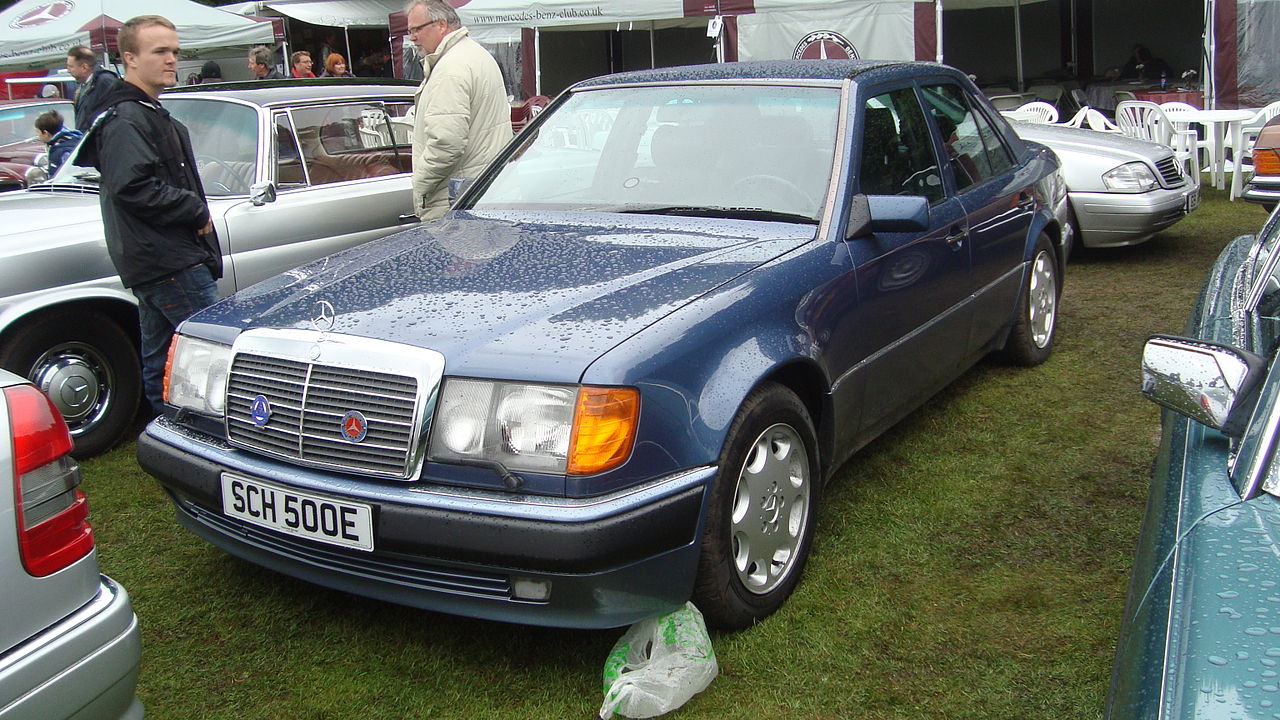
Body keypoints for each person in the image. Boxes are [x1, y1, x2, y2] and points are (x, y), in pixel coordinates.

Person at [78, 15, 221, 417]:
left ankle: (166, 434)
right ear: (130, 58)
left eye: (175, 51)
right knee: (207, 352)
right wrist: (194, 209)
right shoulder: (127, 117)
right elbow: (131, 186)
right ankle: (196, 442)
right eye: (160, 51)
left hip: (160, 257)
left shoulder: (145, 112)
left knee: (161, 355)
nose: (172, 59)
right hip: (167, 259)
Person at [405, 0, 512, 221]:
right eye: (409, 31)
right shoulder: (475, 54)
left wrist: (420, 186)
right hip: (484, 190)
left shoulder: (450, 69)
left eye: (417, 29)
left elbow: (446, 143)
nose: (412, 37)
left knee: (461, 254)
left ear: (441, 24)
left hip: (457, 198)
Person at [66, 46, 120, 132]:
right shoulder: (83, 86)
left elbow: (117, 113)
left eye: (71, 67)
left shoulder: (105, 81)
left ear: (84, 67)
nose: (68, 71)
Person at [34, 109, 82, 175]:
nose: (37, 135)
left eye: (37, 132)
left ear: (45, 133)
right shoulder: (75, 139)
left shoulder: (60, 151)